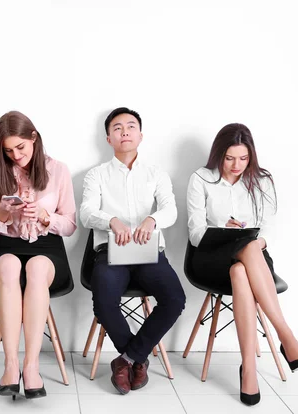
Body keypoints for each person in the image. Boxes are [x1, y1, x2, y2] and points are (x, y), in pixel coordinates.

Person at [187, 122, 298, 405]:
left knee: (241, 267)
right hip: (211, 256)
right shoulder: (201, 178)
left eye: (243, 158)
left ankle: (249, 370)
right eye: (229, 158)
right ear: (218, 154)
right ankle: (286, 335)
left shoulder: (263, 180)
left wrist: (255, 242)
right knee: (241, 252)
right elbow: (195, 233)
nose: (236, 165)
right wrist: (223, 226)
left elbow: (271, 229)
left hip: (252, 257)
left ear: (251, 156)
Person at [80, 107, 186, 395]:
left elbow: (170, 210)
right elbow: (86, 212)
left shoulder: (156, 173)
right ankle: (137, 360)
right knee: (103, 301)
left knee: (175, 299)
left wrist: (152, 220)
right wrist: (110, 220)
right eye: (117, 128)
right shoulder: (96, 175)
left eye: (130, 126)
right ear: (108, 137)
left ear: (140, 134)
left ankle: (127, 359)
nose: (124, 131)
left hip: (148, 251)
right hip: (110, 253)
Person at [0, 111, 76, 399]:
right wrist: (2, 212)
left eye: (20, 147)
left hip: (46, 246)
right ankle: (10, 365)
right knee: (9, 267)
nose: (15, 155)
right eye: (8, 150)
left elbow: (70, 225)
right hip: (6, 245)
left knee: (35, 269)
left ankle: (31, 366)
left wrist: (47, 217)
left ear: (34, 138)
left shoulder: (58, 170)